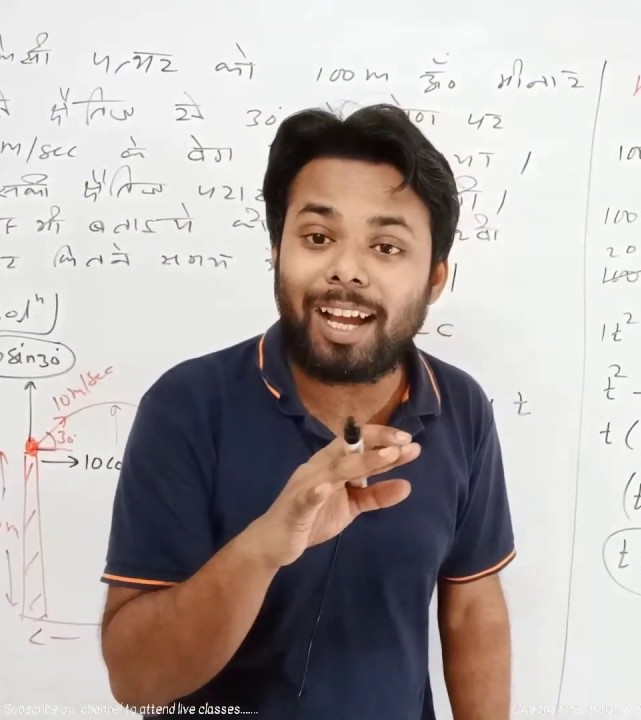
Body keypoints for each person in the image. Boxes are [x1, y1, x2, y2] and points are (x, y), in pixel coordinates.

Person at [97, 103, 516, 719]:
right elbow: (136, 680)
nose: (346, 270)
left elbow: (473, 606)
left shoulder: (462, 408)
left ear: (434, 279)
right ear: (277, 249)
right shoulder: (186, 405)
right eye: (318, 238)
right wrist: (266, 545)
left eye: (386, 246)